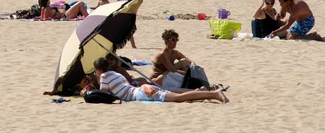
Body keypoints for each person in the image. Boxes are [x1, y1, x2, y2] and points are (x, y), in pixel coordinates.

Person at [93, 58, 229, 103]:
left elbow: (103, 94)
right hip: (142, 89)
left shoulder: (104, 77)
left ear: (99, 70)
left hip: (141, 94)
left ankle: (214, 94)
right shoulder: (117, 74)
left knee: (178, 98)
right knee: (176, 95)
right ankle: (201, 92)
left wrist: (96, 83)